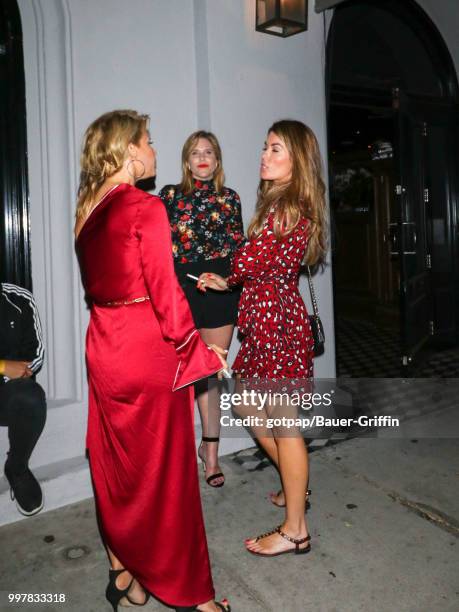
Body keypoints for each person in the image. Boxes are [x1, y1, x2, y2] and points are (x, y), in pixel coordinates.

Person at [74, 110, 231, 612]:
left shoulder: (86, 209)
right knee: (167, 472)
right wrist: (196, 350)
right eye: (149, 141)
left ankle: (126, 574)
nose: (155, 150)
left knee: (116, 461)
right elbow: (165, 293)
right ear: (127, 151)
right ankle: (195, 598)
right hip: (146, 345)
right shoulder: (143, 207)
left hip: (102, 342)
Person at [198, 119, 327, 557]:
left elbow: (251, 258)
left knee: (284, 423)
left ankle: (295, 529)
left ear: (297, 162)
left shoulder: (287, 206)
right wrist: (229, 279)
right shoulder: (283, 202)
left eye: (276, 149)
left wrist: (226, 278)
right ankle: (296, 489)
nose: (264, 156)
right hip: (268, 320)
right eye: (265, 147)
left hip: (277, 325)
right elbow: (256, 263)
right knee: (247, 404)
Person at [159, 131, 244, 488]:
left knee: (212, 372)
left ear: (218, 159)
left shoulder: (230, 198)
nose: (203, 157)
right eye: (196, 152)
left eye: (209, 151)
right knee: (183, 374)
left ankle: (210, 453)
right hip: (183, 287)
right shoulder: (170, 196)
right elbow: (159, 247)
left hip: (221, 288)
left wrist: (229, 281)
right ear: (186, 160)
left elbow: (240, 251)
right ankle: (172, 455)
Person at [1, 282, 46, 517]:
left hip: (5, 395)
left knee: (30, 397)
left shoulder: (18, 298)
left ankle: (17, 468)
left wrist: (11, 375)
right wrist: (2, 366)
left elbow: (35, 355)